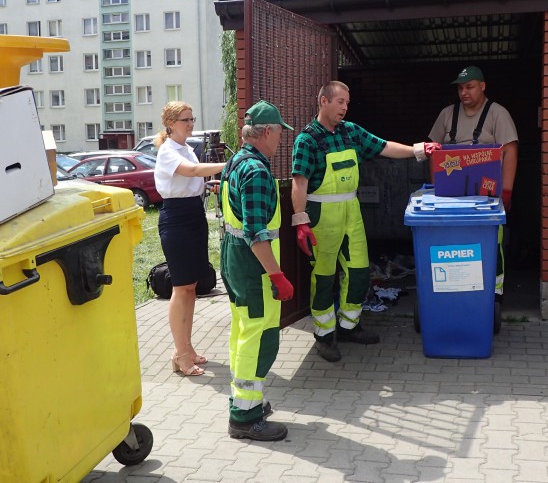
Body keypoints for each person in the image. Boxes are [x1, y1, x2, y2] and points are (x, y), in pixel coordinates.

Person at [291, 80, 441, 362]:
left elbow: (385, 147)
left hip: (351, 211)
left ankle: (349, 326)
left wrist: (419, 150)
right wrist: (300, 221)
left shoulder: (351, 132)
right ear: (323, 101)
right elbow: (299, 182)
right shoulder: (307, 140)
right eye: (340, 102)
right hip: (322, 215)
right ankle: (324, 335)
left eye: (347, 103)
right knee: (324, 278)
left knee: (359, 273)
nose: (345, 108)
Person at [220, 100, 294, 441]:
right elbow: (255, 231)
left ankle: (245, 401)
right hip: (254, 268)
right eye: (280, 132)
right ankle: (245, 418)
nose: (282, 139)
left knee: (242, 329)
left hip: (234, 260)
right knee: (261, 336)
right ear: (266, 132)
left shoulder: (236, 161)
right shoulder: (257, 172)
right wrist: (276, 275)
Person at [428, 65, 519, 308]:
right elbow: (432, 151)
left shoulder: (498, 114)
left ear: (482, 86)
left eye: (469, 87)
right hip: (452, 195)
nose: (464, 92)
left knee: (490, 241)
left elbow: (510, 151)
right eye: (460, 88)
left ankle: (495, 293)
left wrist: (507, 191)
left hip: (487, 196)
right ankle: (456, 290)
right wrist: (436, 190)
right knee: (455, 242)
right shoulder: (447, 114)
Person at [154, 101, 225, 376]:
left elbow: (195, 180)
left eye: (192, 118)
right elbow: (192, 172)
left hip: (194, 215)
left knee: (192, 286)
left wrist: (211, 184)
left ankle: (186, 348)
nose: (190, 124)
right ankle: (181, 354)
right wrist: (231, 164)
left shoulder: (186, 149)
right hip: (177, 219)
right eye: (185, 120)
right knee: (181, 287)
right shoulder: (168, 151)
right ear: (171, 124)